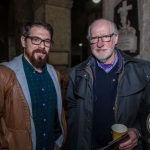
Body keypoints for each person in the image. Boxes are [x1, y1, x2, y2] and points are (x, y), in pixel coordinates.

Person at [66, 19, 150, 150]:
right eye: (94, 38)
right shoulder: (77, 73)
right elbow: (71, 106)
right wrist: (77, 130)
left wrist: (137, 131)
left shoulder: (142, 71)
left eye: (105, 36)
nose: (100, 43)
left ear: (115, 38)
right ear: (90, 41)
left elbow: (147, 113)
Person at [0, 20, 66, 150]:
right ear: (23, 41)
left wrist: (59, 142)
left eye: (47, 41)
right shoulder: (4, 75)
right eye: (36, 39)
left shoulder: (55, 75)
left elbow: (58, 114)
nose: (42, 46)